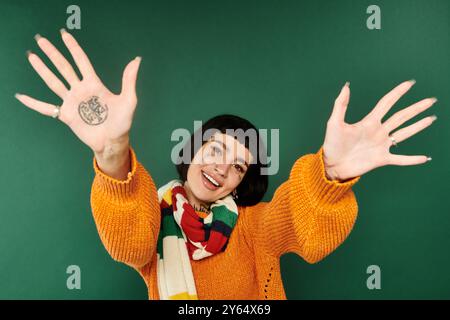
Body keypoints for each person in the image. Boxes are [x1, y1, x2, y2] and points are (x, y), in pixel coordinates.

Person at [15, 29, 437, 300]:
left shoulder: (255, 227)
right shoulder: (152, 217)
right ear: (193, 152)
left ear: (240, 184)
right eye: (215, 149)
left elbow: (308, 234)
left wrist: (331, 176)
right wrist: (111, 153)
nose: (221, 167)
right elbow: (130, 245)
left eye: (238, 166)